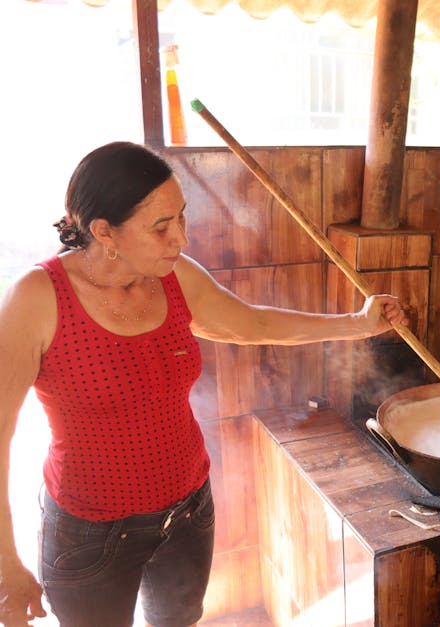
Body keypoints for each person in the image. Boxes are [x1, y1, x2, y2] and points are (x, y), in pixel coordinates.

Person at [0, 141, 407, 627]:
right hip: (90, 533)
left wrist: (358, 325)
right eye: (161, 227)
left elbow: (251, 325)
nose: (181, 239)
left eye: (181, 218)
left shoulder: (173, 279)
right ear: (104, 231)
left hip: (188, 513)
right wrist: (6, 568)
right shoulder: (37, 299)